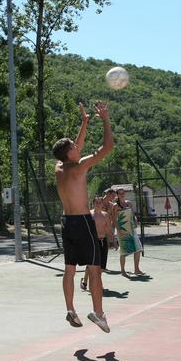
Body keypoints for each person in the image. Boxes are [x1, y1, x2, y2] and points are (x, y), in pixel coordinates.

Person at [53, 101, 114, 333]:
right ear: (70, 152)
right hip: (82, 222)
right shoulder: (79, 167)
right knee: (95, 268)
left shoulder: (59, 167)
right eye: (75, 146)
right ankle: (98, 314)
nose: (79, 147)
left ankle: (70, 310)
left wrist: (85, 122)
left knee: (70, 270)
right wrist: (105, 119)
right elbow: (107, 147)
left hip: (67, 223)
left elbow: (74, 147)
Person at [81, 197, 115, 291]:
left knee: (101, 266)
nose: (98, 204)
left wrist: (114, 240)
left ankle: (86, 281)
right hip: (92, 242)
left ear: (102, 204)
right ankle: (96, 285)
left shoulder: (106, 215)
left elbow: (108, 228)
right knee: (93, 265)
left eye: (100, 202)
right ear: (93, 203)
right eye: (96, 202)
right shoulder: (89, 215)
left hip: (103, 241)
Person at [114, 188, 145, 276]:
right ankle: (123, 271)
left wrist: (135, 221)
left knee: (138, 249)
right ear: (117, 195)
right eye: (120, 193)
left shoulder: (129, 203)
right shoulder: (115, 206)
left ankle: (136, 269)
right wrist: (118, 230)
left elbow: (133, 215)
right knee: (124, 251)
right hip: (122, 230)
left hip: (131, 229)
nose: (122, 194)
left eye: (123, 193)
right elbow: (114, 219)